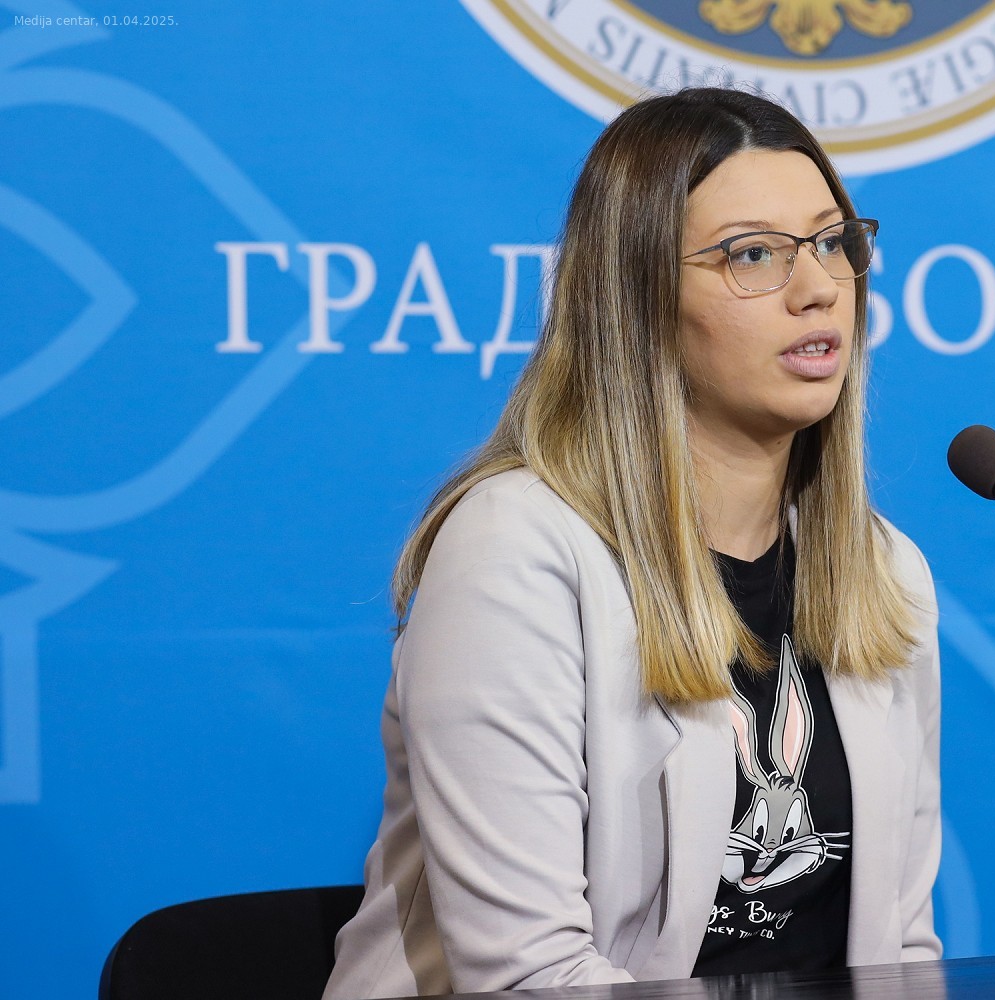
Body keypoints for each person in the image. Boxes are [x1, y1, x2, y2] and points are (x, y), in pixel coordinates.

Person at [322, 86, 942, 999]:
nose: (818, 288)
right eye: (753, 254)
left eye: (831, 242)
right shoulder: (516, 553)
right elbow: (531, 977)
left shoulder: (883, 573)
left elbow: (900, 950)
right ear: (639, 299)